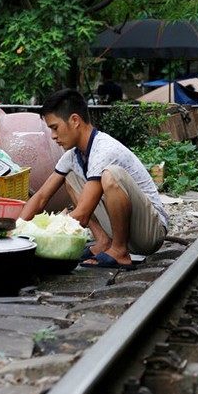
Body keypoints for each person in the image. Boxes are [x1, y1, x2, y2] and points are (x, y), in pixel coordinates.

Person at [19, 89, 169, 269]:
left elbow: (82, 214)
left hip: (149, 232)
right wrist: (16, 230)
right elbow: (42, 197)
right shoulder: (73, 156)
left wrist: (47, 229)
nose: (53, 136)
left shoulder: (104, 149)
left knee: (111, 174)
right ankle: (104, 242)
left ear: (75, 120)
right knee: (70, 177)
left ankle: (120, 251)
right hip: (124, 229)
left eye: (55, 127)